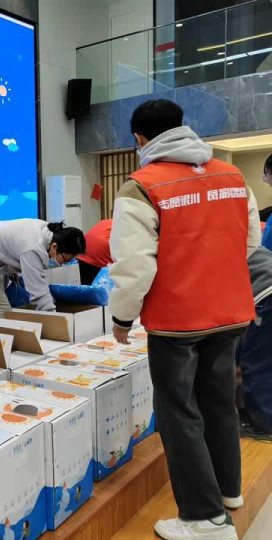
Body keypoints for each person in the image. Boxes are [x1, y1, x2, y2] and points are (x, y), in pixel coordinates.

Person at [110, 99, 260, 540]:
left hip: (176, 321)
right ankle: (228, 491)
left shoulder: (141, 186)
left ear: (140, 139)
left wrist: (122, 318)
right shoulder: (233, 176)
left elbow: (135, 266)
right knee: (220, 403)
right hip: (229, 311)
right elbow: (250, 241)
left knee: (178, 413)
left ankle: (203, 518)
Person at [0, 219, 86, 317]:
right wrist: (55, 321)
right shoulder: (34, 248)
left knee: (0, 314)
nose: (63, 264)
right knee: (1, 317)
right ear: (54, 247)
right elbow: (38, 292)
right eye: (65, 259)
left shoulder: (49, 233)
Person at [236, 246, 272, 442]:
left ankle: (264, 425)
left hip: (266, 297)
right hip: (267, 291)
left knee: (256, 364)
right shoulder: (241, 241)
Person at [76, 219, 113, 285]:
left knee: (85, 286)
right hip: (100, 255)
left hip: (82, 252)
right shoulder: (126, 225)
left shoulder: (107, 221)